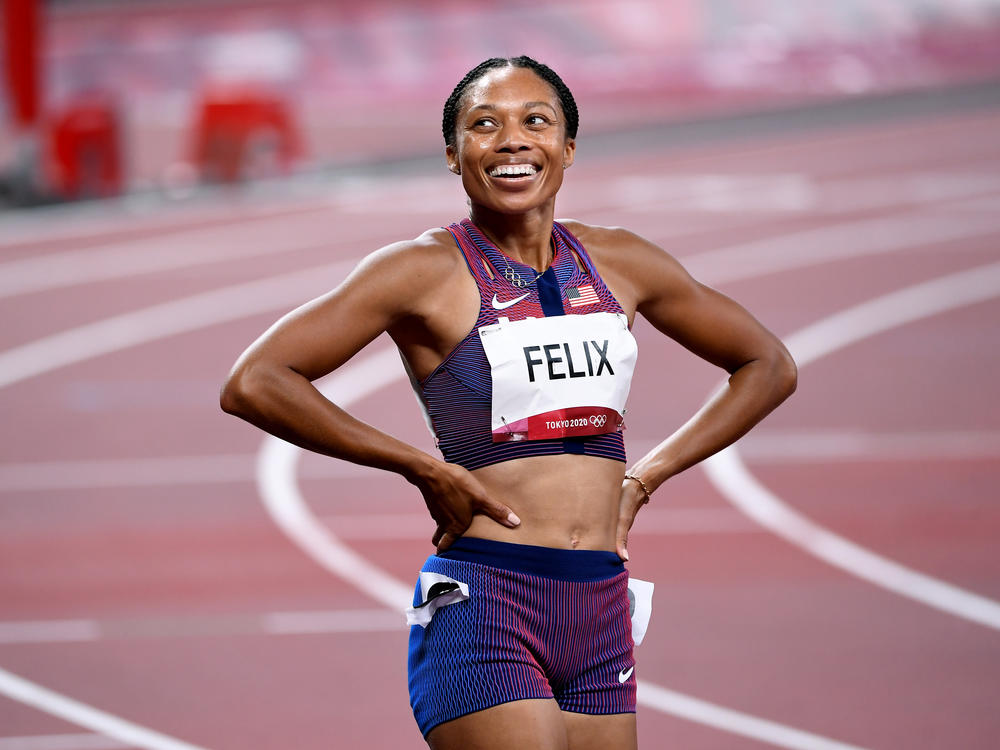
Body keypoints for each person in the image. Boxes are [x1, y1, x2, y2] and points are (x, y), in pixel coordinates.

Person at [220, 55, 796, 750]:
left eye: (536, 122)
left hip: (600, 603)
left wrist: (647, 476)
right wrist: (418, 466)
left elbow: (768, 364)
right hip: (489, 599)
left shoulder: (623, 262)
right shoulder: (420, 271)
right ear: (453, 154)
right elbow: (256, 380)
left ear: (568, 148)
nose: (513, 140)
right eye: (484, 125)